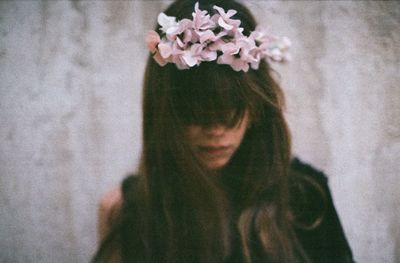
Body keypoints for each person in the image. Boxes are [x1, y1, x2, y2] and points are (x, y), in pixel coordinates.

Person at [92, 0, 354, 262]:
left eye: (232, 109)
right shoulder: (127, 210)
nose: (216, 130)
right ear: (165, 109)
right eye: (195, 110)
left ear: (257, 107)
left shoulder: (305, 198)